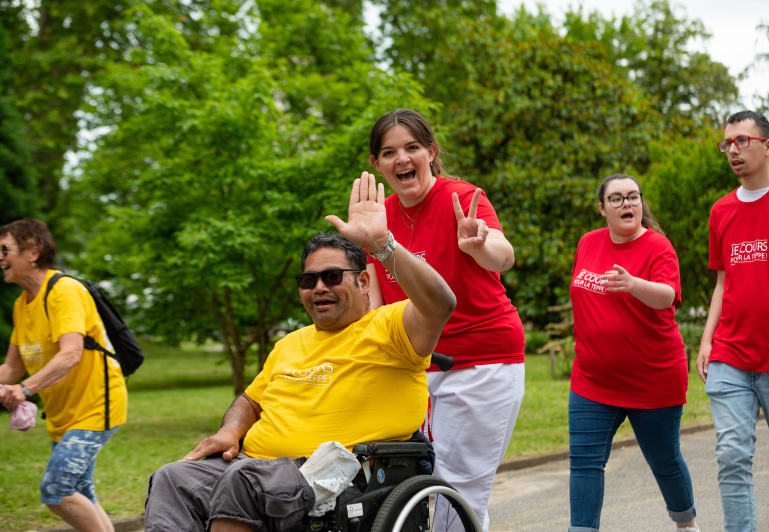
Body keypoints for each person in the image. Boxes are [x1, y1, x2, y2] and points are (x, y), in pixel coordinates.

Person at [144, 174, 457, 532]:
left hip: (333, 476)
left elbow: (440, 304)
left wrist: (381, 244)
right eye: (309, 281)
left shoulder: (390, 327)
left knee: (243, 480)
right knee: (173, 477)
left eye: (333, 276)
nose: (319, 287)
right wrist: (230, 430)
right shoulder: (290, 343)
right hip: (255, 468)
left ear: (364, 282)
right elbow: (251, 401)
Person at [366, 108, 525, 531]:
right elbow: (375, 310)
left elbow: (504, 256)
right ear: (376, 164)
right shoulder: (377, 219)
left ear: (431, 152)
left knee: (458, 492)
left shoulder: (462, 197)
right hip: (414, 369)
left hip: (482, 361)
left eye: (412, 148)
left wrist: (479, 246)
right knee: (410, 487)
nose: (402, 159)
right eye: (389, 152)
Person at [568, 174, 700, 532]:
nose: (626, 204)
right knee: (584, 463)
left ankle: (686, 523)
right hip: (592, 381)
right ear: (602, 209)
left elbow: (667, 296)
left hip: (652, 380)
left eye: (632, 197)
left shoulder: (658, 247)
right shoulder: (588, 242)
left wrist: (632, 284)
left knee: (665, 461)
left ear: (641, 203)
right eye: (616, 199)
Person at [696, 110, 769, 531]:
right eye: (727, 144)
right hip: (730, 355)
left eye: (742, 141)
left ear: (768, 145)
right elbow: (724, 282)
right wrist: (706, 341)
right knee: (731, 457)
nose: (733, 150)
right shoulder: (721, 211)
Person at [0, 218, 127, 532]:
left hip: (96, 406)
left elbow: (71, 353)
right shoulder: (22, 305)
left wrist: (24, 390)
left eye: (5, 250)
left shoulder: (64, 291)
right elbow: (11, 369)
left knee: (57, 489)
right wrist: (15, 383)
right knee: (80, 492)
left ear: (32, 251)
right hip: (63, 414)